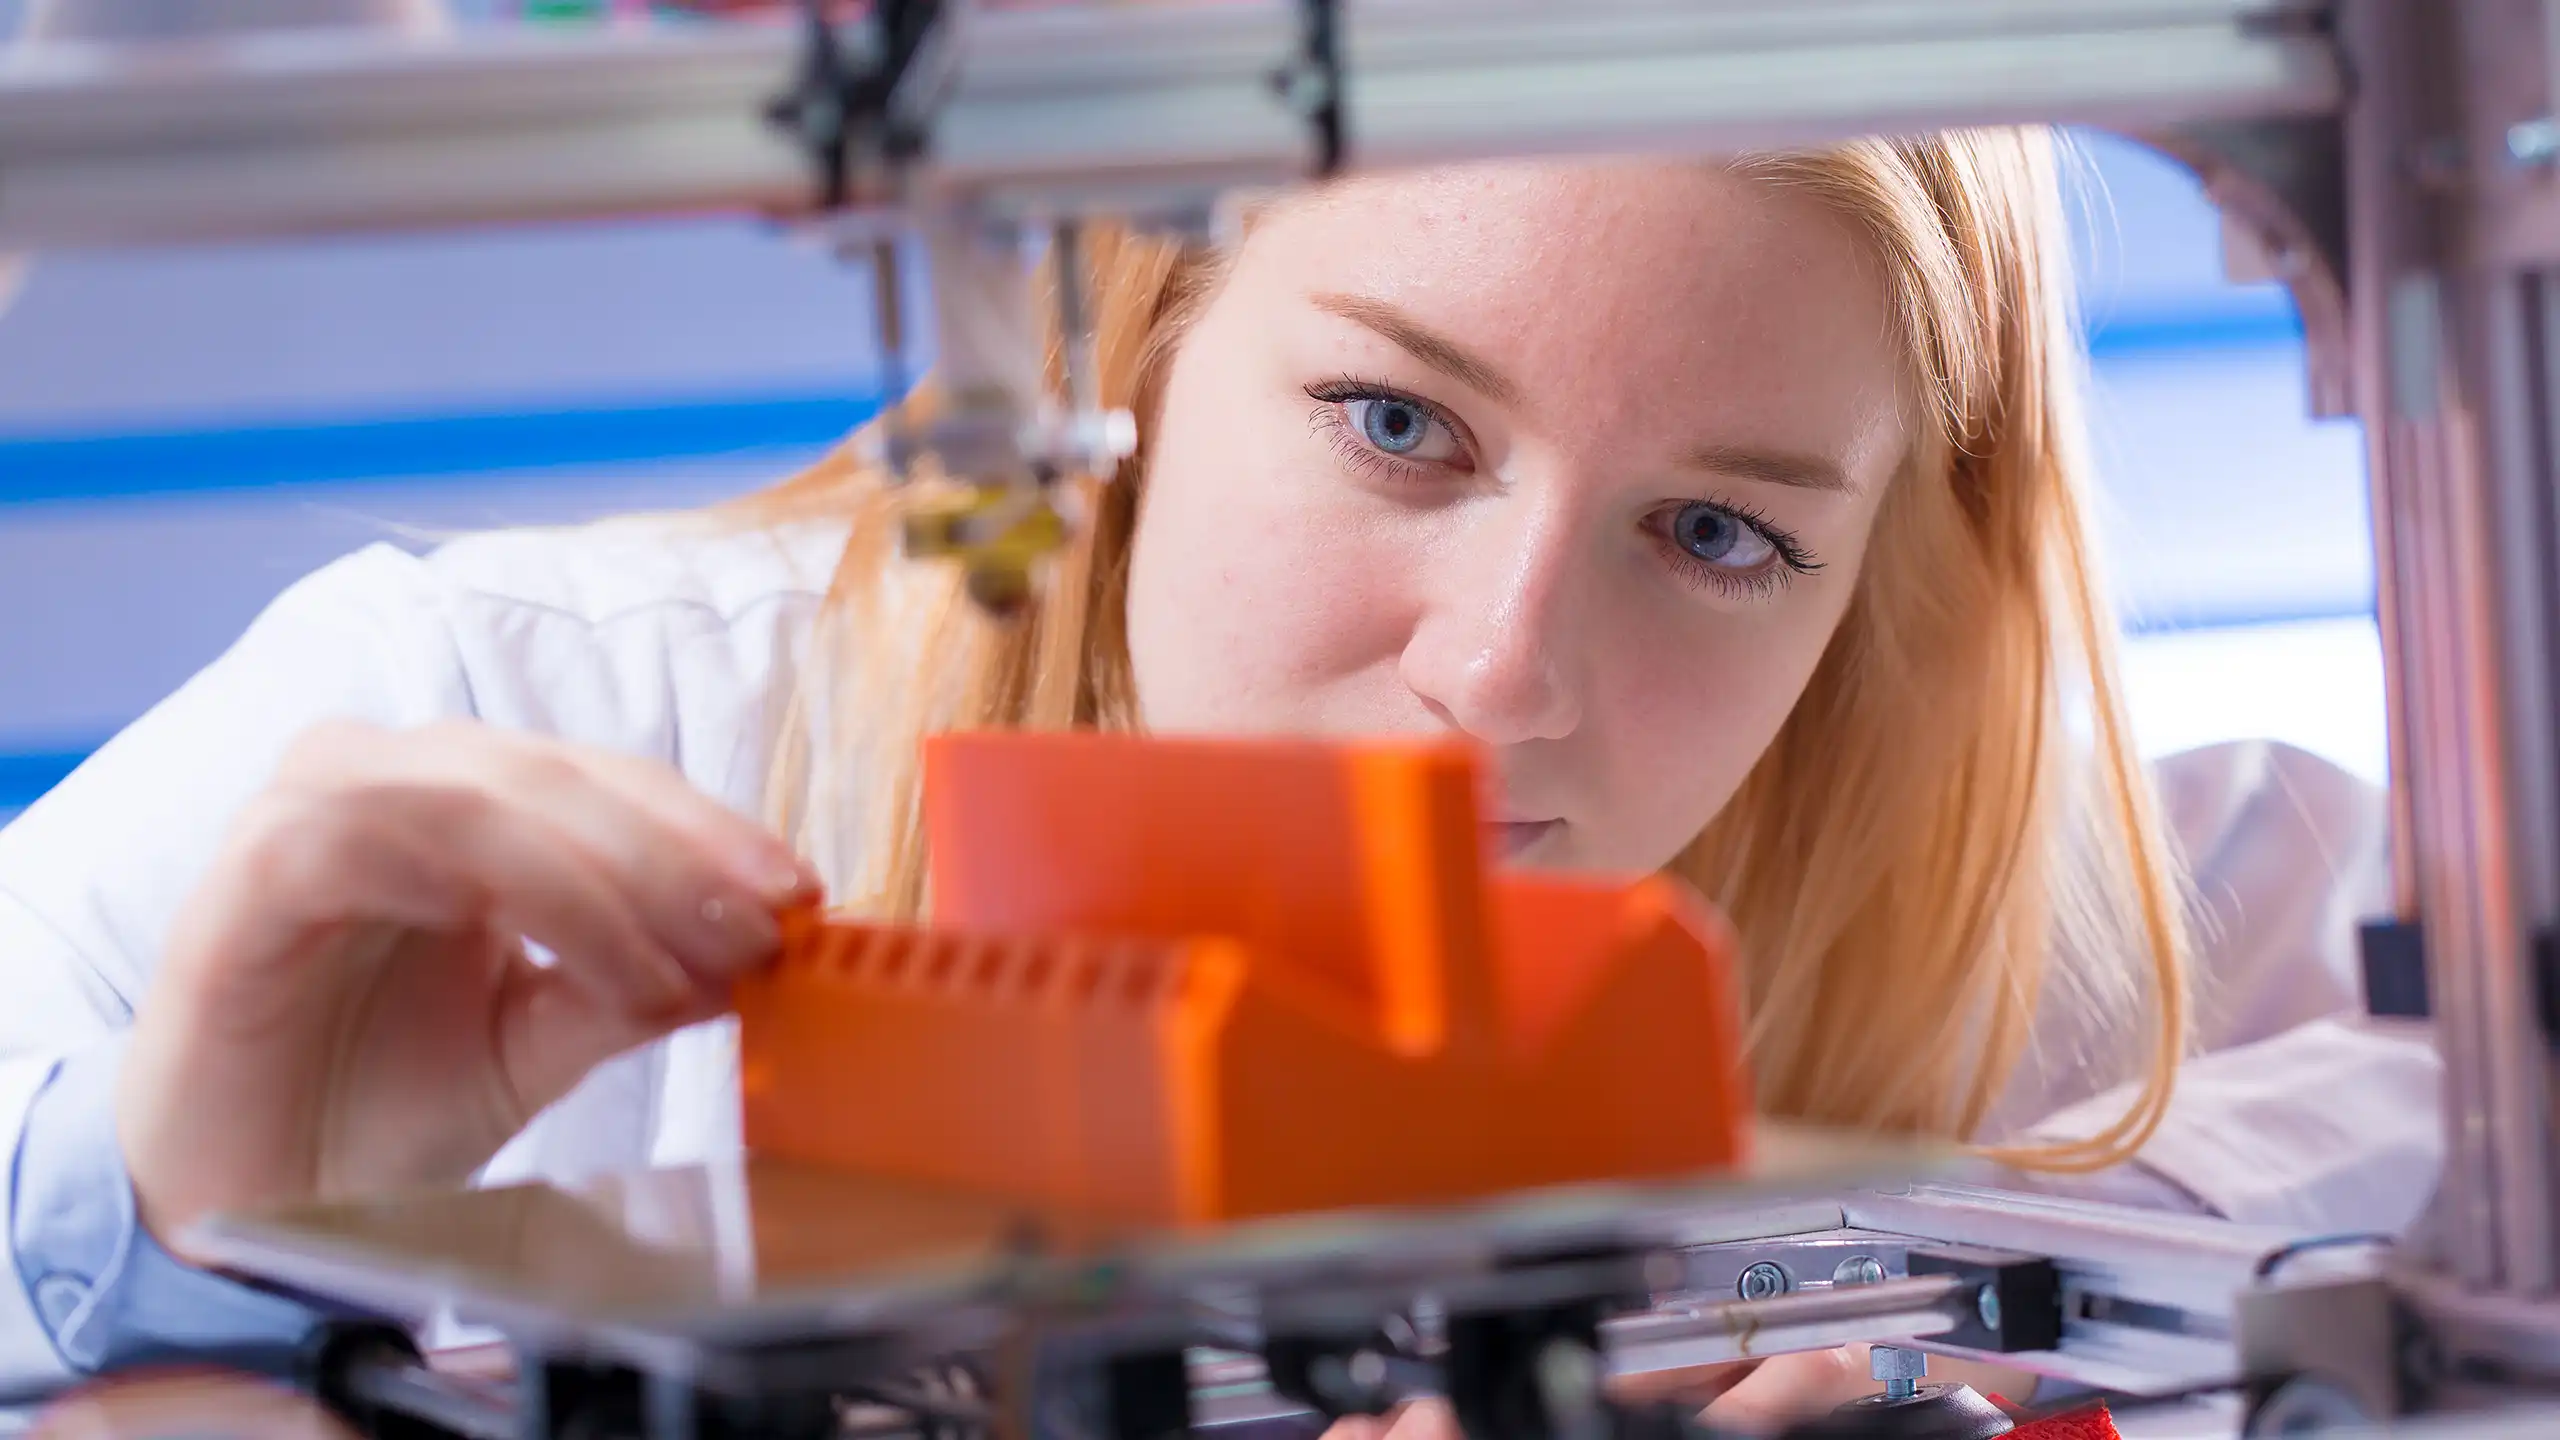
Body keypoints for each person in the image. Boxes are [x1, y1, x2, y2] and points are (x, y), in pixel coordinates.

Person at [0, 128, 2441, 1429]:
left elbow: (2455, 1088)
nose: (1500, 683)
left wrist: (1949, 1289)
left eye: (1716, 533)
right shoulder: (494, 732)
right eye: (1397, 425)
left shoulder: (1965, 884)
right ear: (1138, 351)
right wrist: (169, 1228)